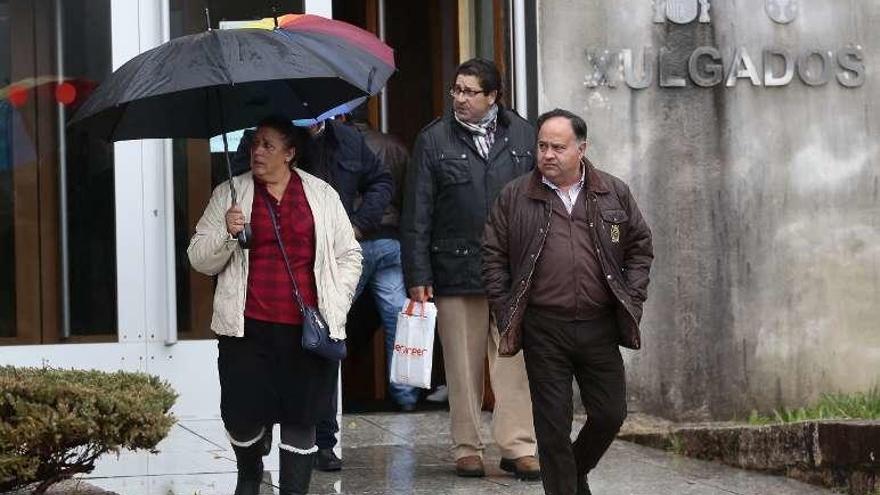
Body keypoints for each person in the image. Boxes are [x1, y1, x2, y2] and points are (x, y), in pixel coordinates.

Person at [481, 109, 654, 495]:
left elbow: (640, 248)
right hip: (545, 328)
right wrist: (503, 306)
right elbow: (492, 255)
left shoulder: (612, 191)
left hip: (599, 325)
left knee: (611, 413)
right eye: (542, 146)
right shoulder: (516, 196)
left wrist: (633, 297)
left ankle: (574, 471)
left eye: (558, 147)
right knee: (552, 425)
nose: (547, 154)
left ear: (581, 149)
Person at [188, 115, 362, 495]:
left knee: (302, 417)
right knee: (241, 416)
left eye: (268, 144)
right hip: (247, 328)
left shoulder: (321, 195)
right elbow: (199, 259)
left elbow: (350, 255)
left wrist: (337, 300)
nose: (257, 151)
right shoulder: (229, 195)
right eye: (254, 144)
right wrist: (227, 233)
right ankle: (249, 474)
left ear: (291, 153)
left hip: (306, 331)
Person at [401, 58, 540, 480]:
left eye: (469, 92)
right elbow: (417, 212)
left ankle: (518, 446)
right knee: (461, 365)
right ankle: (467, 446)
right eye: (456, 90)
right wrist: (418, 275)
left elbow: (540, 202)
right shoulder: (434, 139)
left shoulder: (523, 134)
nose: (459, 99)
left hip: (512, 271)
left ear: (493, 96)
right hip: (454, 268)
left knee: (514, 360)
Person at [234, 116, 393, 472]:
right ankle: (264, 426)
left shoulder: (348, 140)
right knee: (272, 363)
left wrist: (358, 225)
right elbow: (237, 185)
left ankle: (323, 441)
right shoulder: (264, 136)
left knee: (322, 350)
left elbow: (381, 180)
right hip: (272, 274)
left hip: (326, 268)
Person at [342, 106, 421, 412]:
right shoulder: (396, 146)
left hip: (354, 241)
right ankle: (405, 396)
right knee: (397, 320)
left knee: (334, 315)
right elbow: (408, 194)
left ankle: (329, 395)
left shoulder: (341, 146)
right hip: (390, 241)